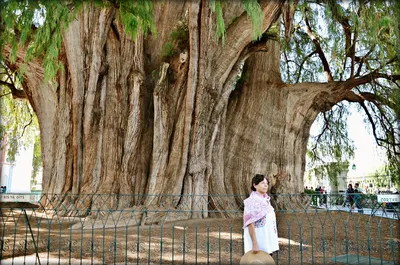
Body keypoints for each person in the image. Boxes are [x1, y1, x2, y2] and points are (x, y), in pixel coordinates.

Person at [243, 174, 279, 255]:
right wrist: (254, 244)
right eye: (262, 183)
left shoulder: (266, 200)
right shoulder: (251, 201)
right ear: (255, 185)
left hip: (266, 239)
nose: (266, 185)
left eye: (267, 183)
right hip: (258, 240)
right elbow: (250, 223)